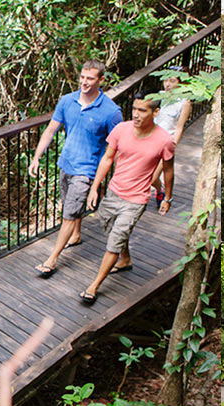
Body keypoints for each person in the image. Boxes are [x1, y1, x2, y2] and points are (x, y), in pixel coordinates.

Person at [76, 96, 176, 305]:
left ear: (155, 113)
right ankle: (126, 259)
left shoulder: (164, 140)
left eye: (143, 110)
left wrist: (167, 197)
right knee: (112, 230)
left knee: (115, 241)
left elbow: (168, 171)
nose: (136, 114)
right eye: (134, 109)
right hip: (113, 192)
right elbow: (107, 158)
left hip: (137, 199)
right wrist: (95, 187)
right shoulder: (121, 129)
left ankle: (93, 286)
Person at [31, 59, 123, 278]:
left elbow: (117, 148)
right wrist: (36, 157)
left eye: (90, 78)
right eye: (82, 77)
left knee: (69, 214)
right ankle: (76, 235)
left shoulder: (111, 112)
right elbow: (51, 129)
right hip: (66, 163)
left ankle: (52, 259)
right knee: (69, 205)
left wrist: (108, 180)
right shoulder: (67, 101)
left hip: (87, 170)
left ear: (101, 80)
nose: (84, 82)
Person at [153, 71, 192, 142]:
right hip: (151, 137)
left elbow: (179, 127)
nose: (167, 84)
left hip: (166, 139)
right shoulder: (158, 96)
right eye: (165, 81)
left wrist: (173, 146)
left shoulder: (184, 102)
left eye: (172, 81)